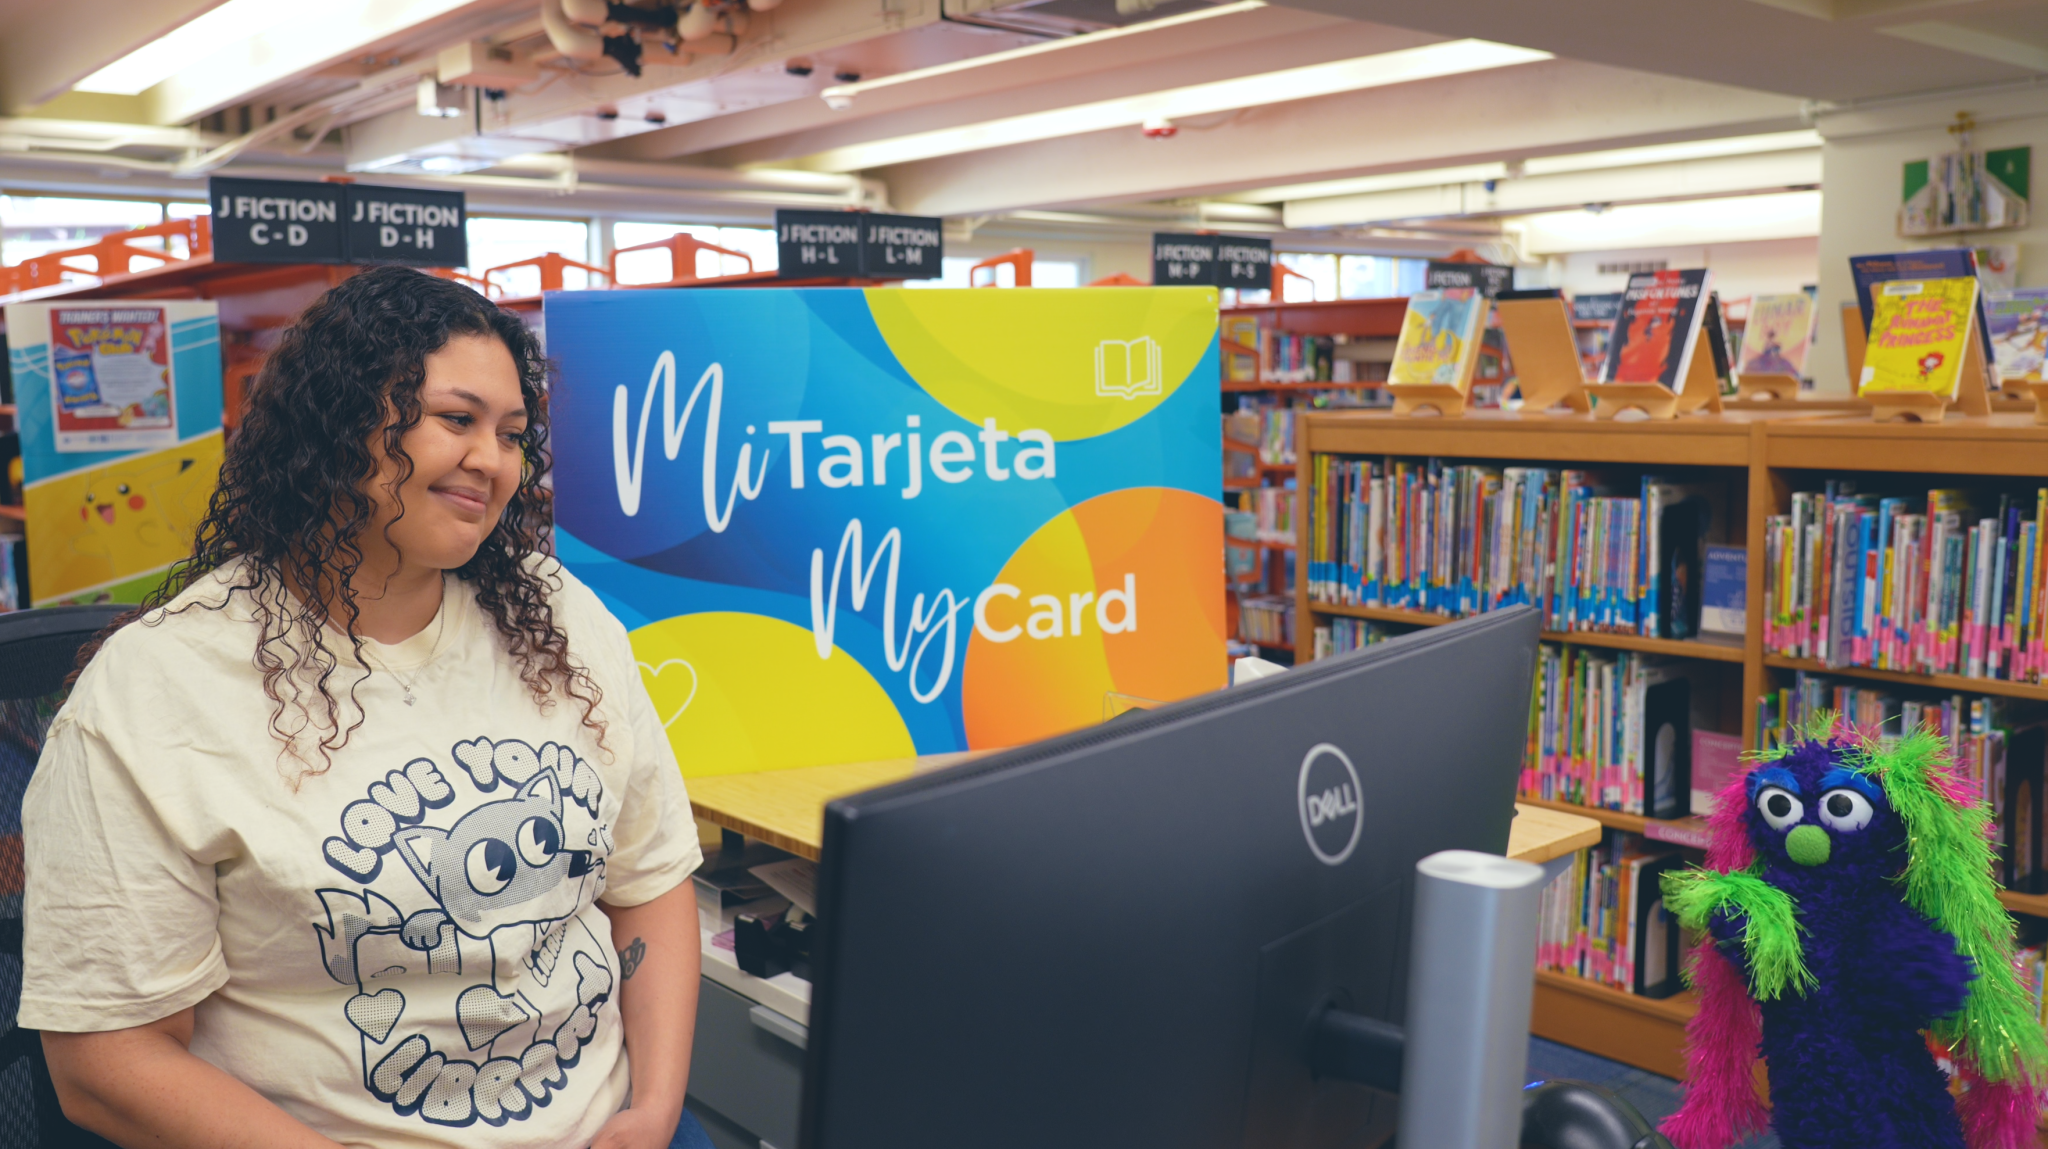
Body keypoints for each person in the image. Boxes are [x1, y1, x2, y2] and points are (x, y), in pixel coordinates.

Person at [19, 265, 703, 1149]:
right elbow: (105, 1062)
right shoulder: (159, 690)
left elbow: (650, 880)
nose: (491, 460)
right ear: (339, 418)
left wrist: (650, 1112)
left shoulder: (559, 614)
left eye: (512, 434)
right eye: (456, 419)